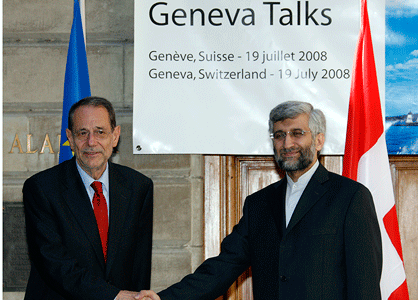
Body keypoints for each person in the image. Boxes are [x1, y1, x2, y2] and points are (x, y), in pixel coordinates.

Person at [138, 101, 382, 300]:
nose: (287, 143)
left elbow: (365, 287)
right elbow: (223, 266)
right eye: (279, 135)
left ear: (318, 140)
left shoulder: (350, 197)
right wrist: (164, 299)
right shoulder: (259, 204)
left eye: (297, 133)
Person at [23, 96, 153, 300]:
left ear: (115, 136)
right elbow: (54, 263)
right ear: (70, 139)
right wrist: (113, 296)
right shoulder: (41, 189)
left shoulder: (138, 187)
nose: (91, 142)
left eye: (100, 132)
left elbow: (140, 265)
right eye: (82, 133)